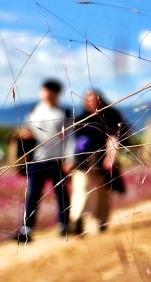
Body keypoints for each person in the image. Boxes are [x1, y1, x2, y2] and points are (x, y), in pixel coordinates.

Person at [11, 79, 75, 243]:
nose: (45, 94)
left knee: (61, 195)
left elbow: (69, 138)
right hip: (37, 160)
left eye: (48, 91)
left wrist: (69, 159)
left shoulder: (64, 113)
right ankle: (27, 229)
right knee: (32, 195)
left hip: (57, 161)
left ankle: (64, 225)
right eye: (43, 90)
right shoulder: (34, 111)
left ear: (56, 93)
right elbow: (27, 132)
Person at [69, 89, 130, 234]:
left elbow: (121, 135)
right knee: (81, 189)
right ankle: (77, 220)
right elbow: (72, 142)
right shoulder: (82, 119)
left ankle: (102, 220)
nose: (92, 102)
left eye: (95, 99)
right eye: (88, 99)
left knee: (104, 192)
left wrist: (112, 154)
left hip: (105, 162)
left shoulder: (112, 116)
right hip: (83, 162)